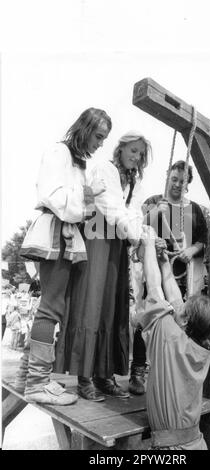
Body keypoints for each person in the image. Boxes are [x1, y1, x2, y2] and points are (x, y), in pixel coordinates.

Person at [14, 107, 112, 405]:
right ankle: (37, 383)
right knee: (51, 307)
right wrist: (87, 198)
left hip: (67, 232)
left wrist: (88, 200)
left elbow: (80, 206)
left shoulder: (77, 162)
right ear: (84, 129)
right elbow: (52, 195)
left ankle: (26, 375)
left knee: (54, 306)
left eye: (104, 139)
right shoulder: (59, 152)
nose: (100, 143)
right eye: (98, 136)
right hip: (56, 230)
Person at [55, 131, 152, 401]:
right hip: (98, 238)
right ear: (120, 148)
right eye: (133, 150)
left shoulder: (135, 181)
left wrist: (137, 234)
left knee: (112, 307)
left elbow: (133, 211)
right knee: (92, 305)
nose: (136, 157)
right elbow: (110, 207)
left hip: (118, 244)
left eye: (140, 154)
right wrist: (135, 234)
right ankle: (84, 376)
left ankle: (103, 374)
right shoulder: (104, 168)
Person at [129, 159, 208, 395]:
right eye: (173, 179)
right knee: (147, 316)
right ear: (167, 178)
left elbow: (203, 240)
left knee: (181, 321)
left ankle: (171, 370)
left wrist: (190, 251)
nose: (176, 184)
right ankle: (138, 370)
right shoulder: (153, 202)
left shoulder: (194, 210)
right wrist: (155, 216)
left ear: (188, 184)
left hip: (181, 276)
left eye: (181, 182)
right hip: (153, 268)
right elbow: (135, 229)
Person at [136, 226, 210, 450]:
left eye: (183, 308)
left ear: (185, 321)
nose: (178, 305)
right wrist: (163, 261)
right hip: (197, 443)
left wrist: (149, 243)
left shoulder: (170, 336)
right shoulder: (201, 349)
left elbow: (153, 287)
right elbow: (174, 297)